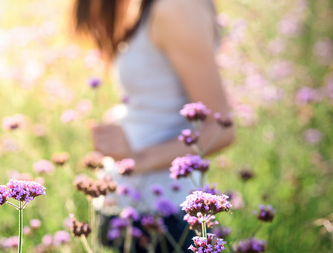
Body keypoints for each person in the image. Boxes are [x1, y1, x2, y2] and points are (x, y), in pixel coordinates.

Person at [73, 0, 235, 251]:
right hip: (130, 203)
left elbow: (220, 129)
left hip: (163, 215)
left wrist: (137, 159)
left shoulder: (176, 7)